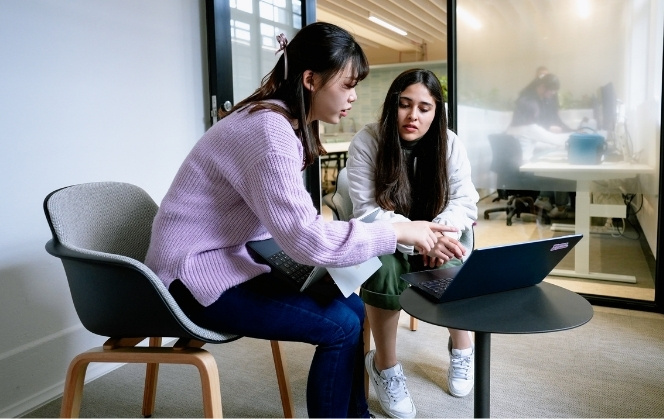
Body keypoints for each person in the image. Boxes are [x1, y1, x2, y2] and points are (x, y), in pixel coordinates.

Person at [144, 23, 458, 419]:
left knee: (353, 308)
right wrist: (396, 231)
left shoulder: (279, 120)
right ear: (310, 80)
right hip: (191, 276)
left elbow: (297, 227)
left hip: (232, 258)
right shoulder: (268, 131)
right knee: (340, 328)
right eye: (347, 85)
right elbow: (306, 239)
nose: (354, 96)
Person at [346, 69, 479, 418]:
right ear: (393, 105)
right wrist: (416, 240)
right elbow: (367, 211)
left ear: (437, 112)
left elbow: (465, 200)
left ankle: (463, 345)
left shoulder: (449, 143)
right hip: (389, 236)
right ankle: (385, 365)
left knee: (450, 262)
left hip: (442, 236)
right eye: (405, 105)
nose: (413, 116)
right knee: (384, 269)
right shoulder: (368, 141)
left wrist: (436, 236)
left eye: (424, 107)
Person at [507, 72, 575, 216]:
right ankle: (560, 208)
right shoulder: (530, 127)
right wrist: (579, 134)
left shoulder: (515, 127)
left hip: (517, 165)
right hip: (524, 168)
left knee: (549, 157)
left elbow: (539, 142)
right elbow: (558, 140)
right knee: (560, 170)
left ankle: (544, 201)